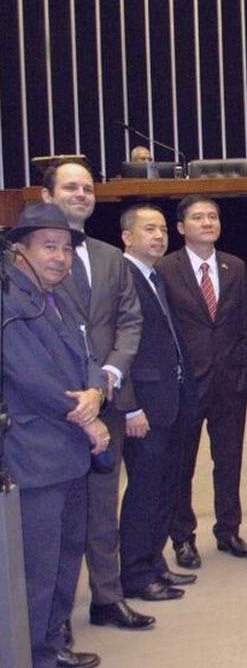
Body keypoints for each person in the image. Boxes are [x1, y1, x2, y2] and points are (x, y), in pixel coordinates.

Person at [42, 162, 152, 634]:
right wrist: (82, 386)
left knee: (103, 510)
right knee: (60, 521)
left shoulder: (111, 257)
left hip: (106, 396)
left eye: (88, 188)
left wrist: (109, 374)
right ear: (47, 197)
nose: (82, 194)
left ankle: (107, 599)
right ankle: (55, 620)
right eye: (71, 187)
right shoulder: (24, 260)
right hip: (58, 405)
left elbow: (129, 321)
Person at [2, 203, 110, 668]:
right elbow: (30, 377)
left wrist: (94, 390)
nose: (60, 258)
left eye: (66, 249)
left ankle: (52, 644)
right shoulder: (9, 305)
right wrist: (86, 414)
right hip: (35, 456)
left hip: (70, 456)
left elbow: (88, 353)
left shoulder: (58, 299)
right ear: (19, 251)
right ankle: (34, 654)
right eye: (49, 247)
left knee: (67, 559)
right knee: (38, 569)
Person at [156, 195, 247, 568]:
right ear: (181, 228)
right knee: (182, 464)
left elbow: (246, 323)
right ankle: (182, 537)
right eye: (198, 218)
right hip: (187, 384)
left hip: (231, 382)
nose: (207, 222)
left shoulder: (235, 266)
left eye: (212, 216)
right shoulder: (166, 269)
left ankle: (229, 530)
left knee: (229, 460)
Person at [118, 204, 200, 600]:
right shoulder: (123, 277)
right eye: (149, 229)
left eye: (163, 229)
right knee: (144, 491)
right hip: (144, 408)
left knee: (166, 486)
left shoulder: (155, 276)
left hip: (171, 400)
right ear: (127, 237)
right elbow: (119, 348)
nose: (159, 236)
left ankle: (155, 563)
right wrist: (130, 406)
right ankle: (135, 574)